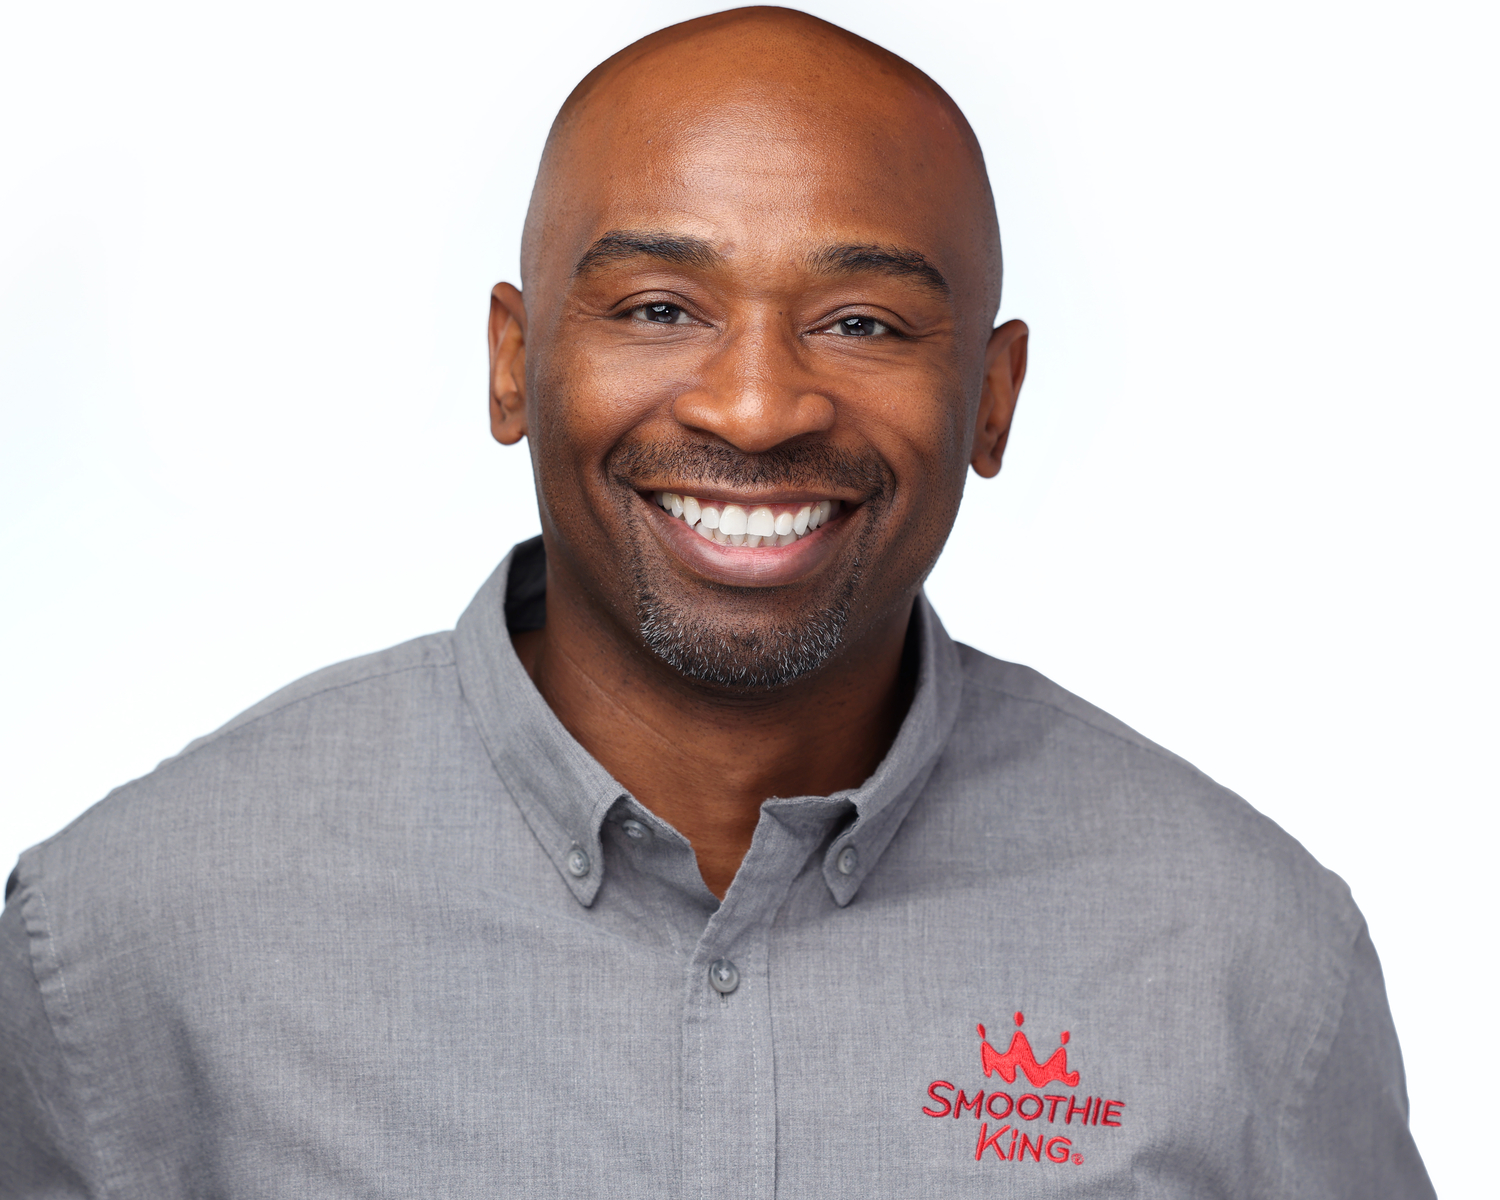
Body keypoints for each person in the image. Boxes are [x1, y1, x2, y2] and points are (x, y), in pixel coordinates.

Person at [0, 7, 1432, 1196]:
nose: (755, 408)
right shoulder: (127, 942)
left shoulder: (1250, 961)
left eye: (860, 321)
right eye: (659, 309)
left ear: (992, 399)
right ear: (512, 363)